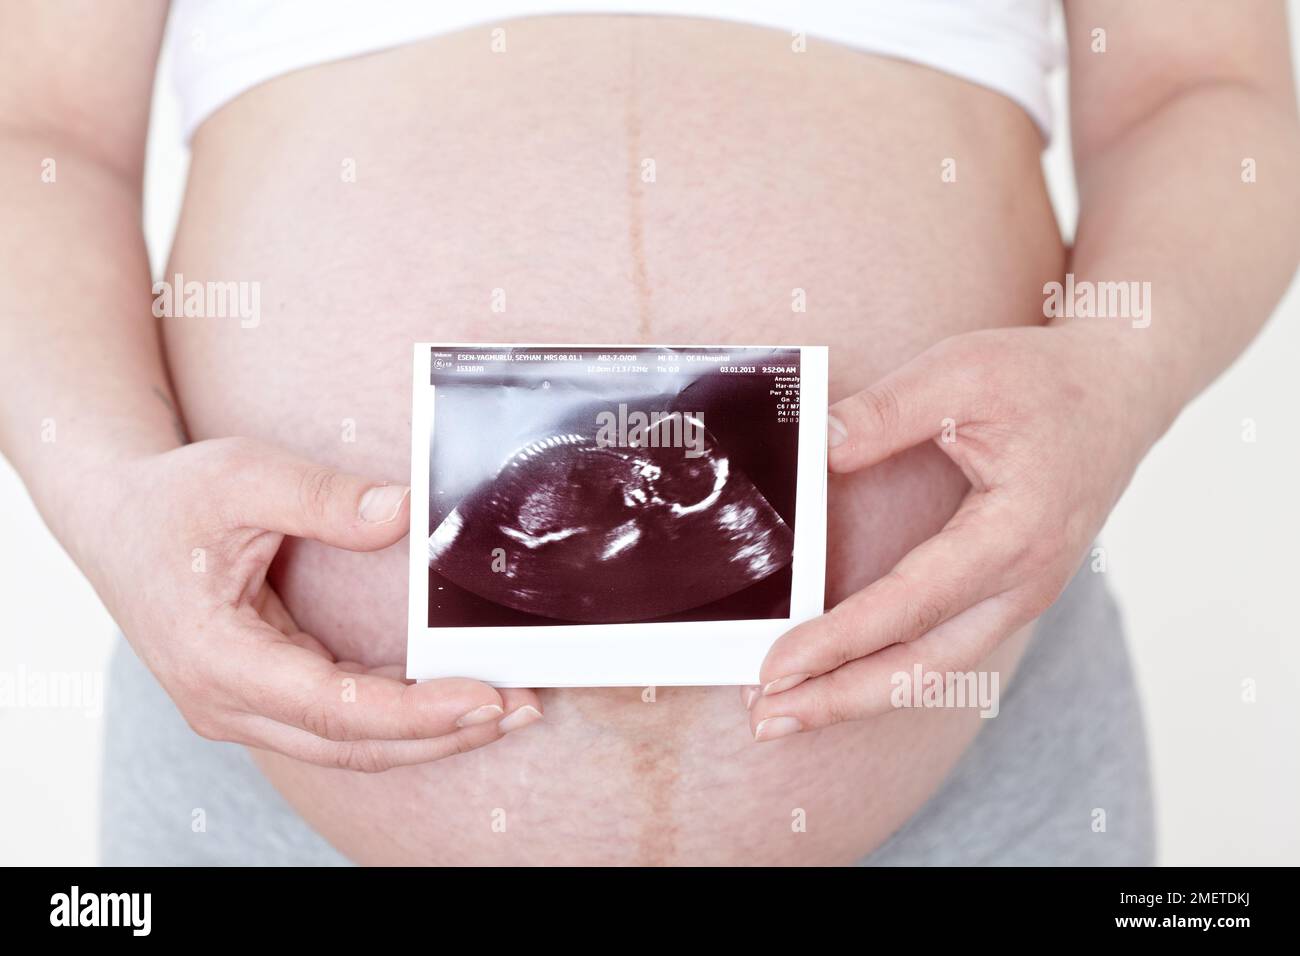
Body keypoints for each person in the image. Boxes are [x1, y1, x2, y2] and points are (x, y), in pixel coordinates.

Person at [1, 0, 1297, 866]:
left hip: (979, 747)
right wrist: (106, 488)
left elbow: (1210, 89)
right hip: (263, 773)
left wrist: (1124, 368)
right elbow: (34, 130)